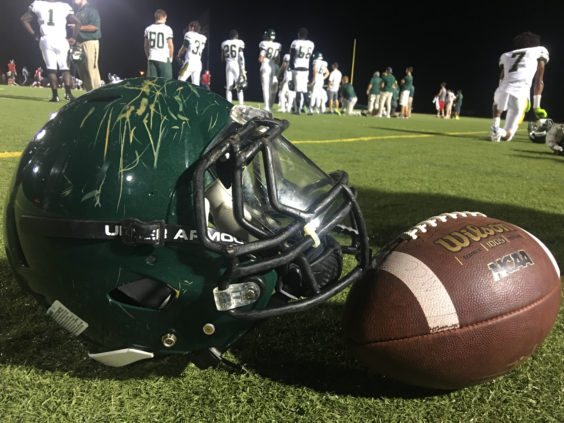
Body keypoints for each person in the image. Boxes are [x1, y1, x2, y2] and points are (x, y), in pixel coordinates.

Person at [489, 31, 549, 142]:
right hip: (520, 94)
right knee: (508, 135)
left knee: (499, 100)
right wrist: (537, 107)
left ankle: (495, 128)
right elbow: (539, 81)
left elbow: (502, 78)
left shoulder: (506, 55)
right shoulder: (539, 50)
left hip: (502, 90)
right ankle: (500, 132)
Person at [21, 0, 80, 101]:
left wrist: (34, 34)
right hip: (61, 39)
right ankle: (68, 94)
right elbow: (78, 22)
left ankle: (55, 96)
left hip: (46, 39)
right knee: (65, 68)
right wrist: (74, 37)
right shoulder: (64, 6)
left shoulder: (38, 4)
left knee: (51, 69)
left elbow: (23, 19)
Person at [70, 0, 101, 92]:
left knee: (91, 70)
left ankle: (97, 93)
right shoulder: (78, 11)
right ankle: (88, 93)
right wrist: (73, 39)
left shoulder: (91, 10)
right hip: (79, 43)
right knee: (82, 71)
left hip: (90, 42)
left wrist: (78, 27)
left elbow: (95, 27)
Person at [290, 27, 314, 114]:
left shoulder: (295, 42)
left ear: (299, 34)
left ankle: (297, 110)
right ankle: (309, 109)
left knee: (298, 89)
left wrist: (291, 67)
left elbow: (292, 56)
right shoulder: (311, 44)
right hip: (306, 68)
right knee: (304, 90)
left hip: (297, 68)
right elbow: (310, 57)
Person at [144, 9, 174, 79]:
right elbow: (170, 46)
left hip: (152, 58)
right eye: (166, 18)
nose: (166, 20)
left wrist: (148, 56)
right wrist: (171, 58)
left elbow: (146, 46)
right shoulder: (167, 29)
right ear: (163, 17)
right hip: (163, 59)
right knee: (166, 84)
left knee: (152, 84)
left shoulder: (148, 28)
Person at [177, 20, 207, 85]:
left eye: (189, 28)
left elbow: (184, 47)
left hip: (189, 62)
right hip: (198, 64)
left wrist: (178, 55)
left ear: (192, 27)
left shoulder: (189, 34)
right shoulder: (203, 38)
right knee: (196, 85)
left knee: (179, 82)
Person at [258, 29, 281, 111]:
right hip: (272, 67)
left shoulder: (263, 44)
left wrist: (261, 59)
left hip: (265, 66)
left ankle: (267, 106)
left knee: (265, 87)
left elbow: (261, 58)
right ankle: (269, 105)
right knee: (270, 88)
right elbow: (278, 60)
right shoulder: (277, 45)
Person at [221, 29, 246, 104]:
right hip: (236, 65)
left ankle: (229, 104)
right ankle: (241, 104)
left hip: (228, 65)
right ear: (236, 36)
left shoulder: (224, 43)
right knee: (239, 86)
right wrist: (243, 69)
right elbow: (241, 57)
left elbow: (222, 58)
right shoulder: (239, 42)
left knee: (229, 87)